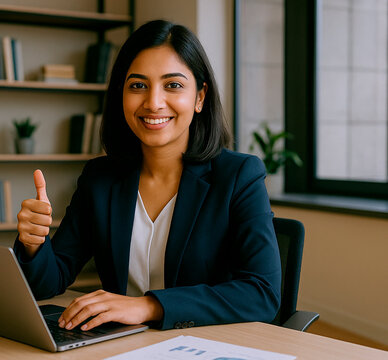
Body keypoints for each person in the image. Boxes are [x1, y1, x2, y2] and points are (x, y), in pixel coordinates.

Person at [14, 19, 281, 332]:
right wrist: (34, 243)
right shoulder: (101, 178)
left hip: (200, 345)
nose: (153, 103)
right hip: (120, 343)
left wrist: (148, 306)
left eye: (173, 85)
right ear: (121, 95)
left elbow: (261, 293)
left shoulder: (238, 176)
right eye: (138, 85)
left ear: (199, 97)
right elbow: (50, 281)